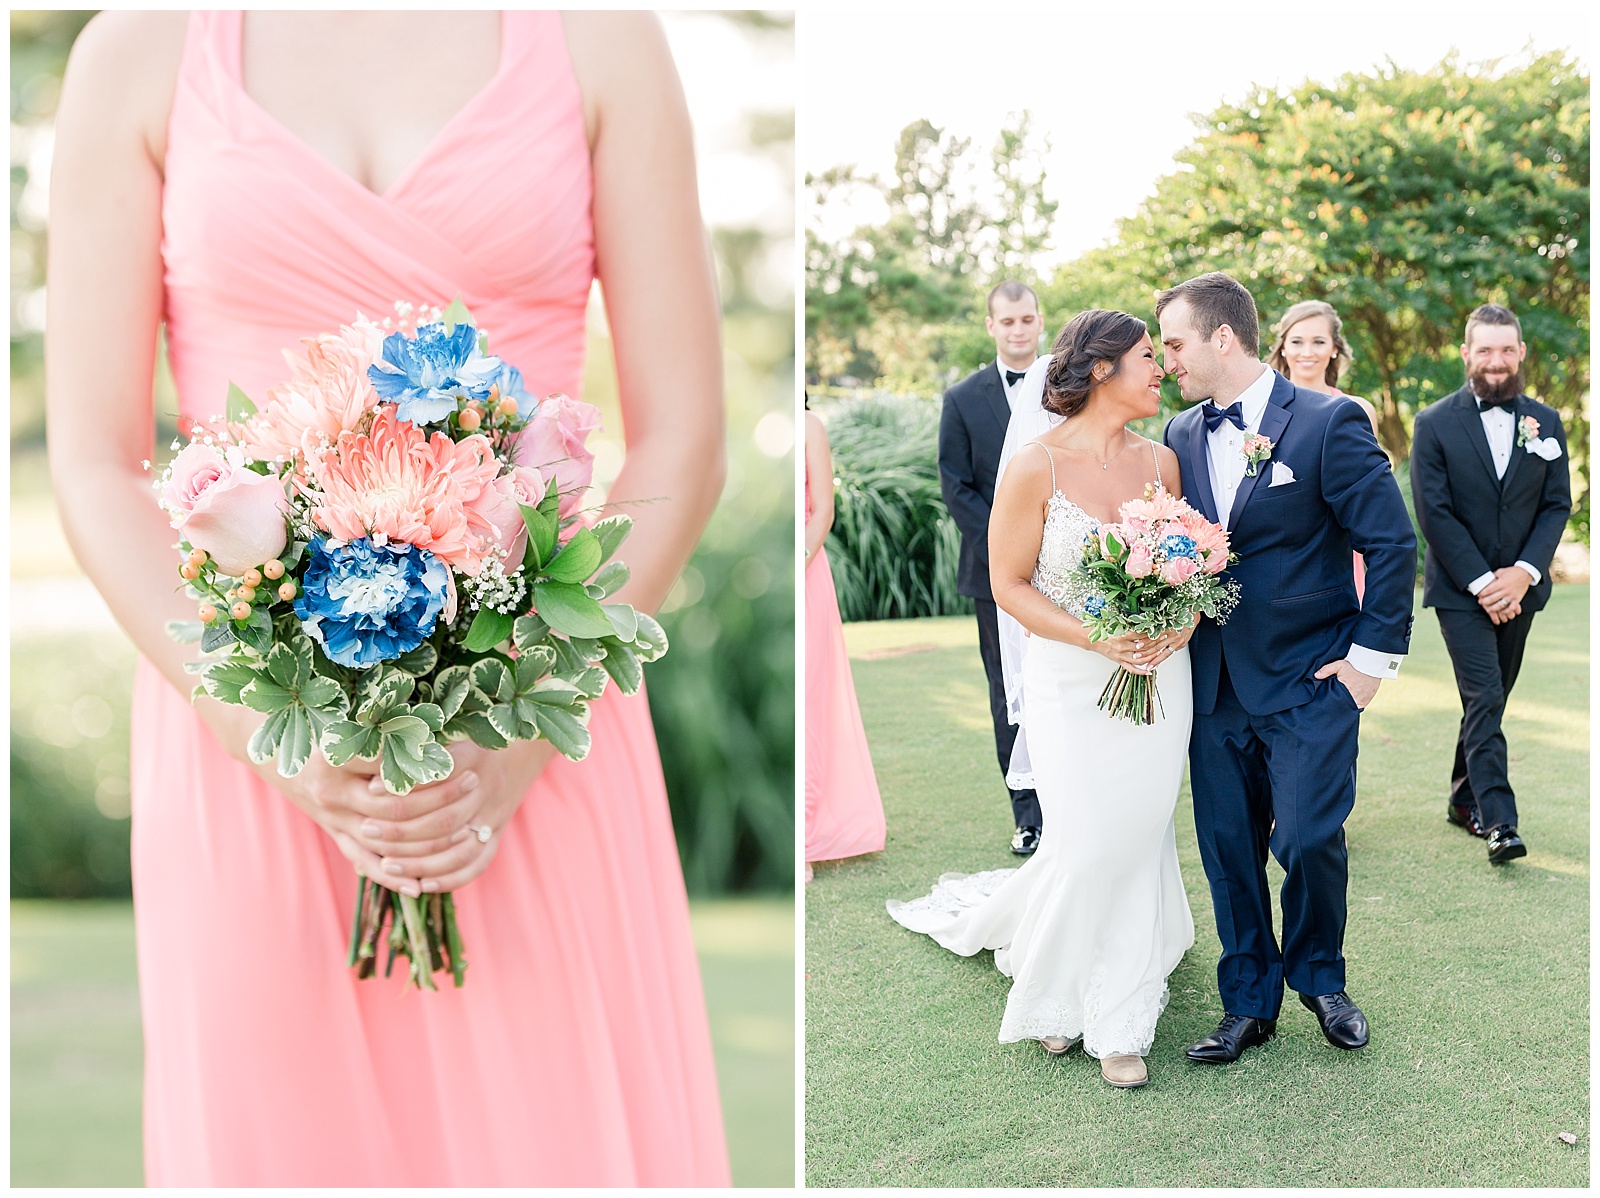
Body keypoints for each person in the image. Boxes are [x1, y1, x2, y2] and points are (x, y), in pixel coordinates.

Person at [46, 12, 729, 1185]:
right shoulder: (139, 47)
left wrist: (513, 745)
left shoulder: (604, 37)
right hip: (243, 715)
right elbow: (94, 460)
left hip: (530, 708)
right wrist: (270, 733)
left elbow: (684, 437)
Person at [890, 310, 1196, 1091]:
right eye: (1145, 358)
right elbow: (1006, 586)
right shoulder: (1035, 466)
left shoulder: (1162, 463)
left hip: (1159, 678)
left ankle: (1121, 1019)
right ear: (1101, 370)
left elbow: (1194, 572)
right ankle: (1054, 988)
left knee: (1137, 837)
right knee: (1088, 841)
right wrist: (1097, 638)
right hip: (1071, 682)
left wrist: (1179, 624)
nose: (1159, 369)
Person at [1159, 272, 1416, 1065]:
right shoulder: (1177, 434)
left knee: (1305, 837)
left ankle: (1320, 978)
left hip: (1313, 677)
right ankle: (1247, 1002)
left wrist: (1370, 665)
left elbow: (1392, 542)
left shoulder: (1329, 422)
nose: (1165, 359)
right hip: (1214, 685)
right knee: (1227, 849)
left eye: (1174, 342)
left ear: (1221, 339)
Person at [1409, 304, 1571, 864]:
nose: (1496, 362)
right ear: (1466, 354)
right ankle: (1499, 820)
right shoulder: (1433, 422)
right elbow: (1434, 513)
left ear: (1521, 353)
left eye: (1507, 350)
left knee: (1489, 701)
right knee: (1485, 695)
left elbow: (1555, 506)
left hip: (1520, 590)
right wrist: (1483, 583)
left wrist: (1523, 575)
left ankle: (1461, 798)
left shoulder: (1546, 424)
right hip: (1460, 591)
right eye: (1485, 350)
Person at [937, 281, 1045, 855]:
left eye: (1027, 319)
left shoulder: (1064, 389)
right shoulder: (961, 398)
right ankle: (1027, 815)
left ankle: (1067, 802)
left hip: (1060, 570)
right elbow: (956, 487)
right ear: (991, 327)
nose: (1018, 329)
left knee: (1059, 686)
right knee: (1009, 689)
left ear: (1039, 321)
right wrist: (1009, 545)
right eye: (1007, 322)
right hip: (991, 574)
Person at [804, 402, 886, 881]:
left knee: (813, 697)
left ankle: (809, 837)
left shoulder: (810, 425)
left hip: (807, 570)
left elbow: (822, 511)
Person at [1266, 299, 1381, 600]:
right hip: (1277, 551)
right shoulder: (1260, 411)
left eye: (1318, 341)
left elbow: (1370, 497)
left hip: (1339, 547)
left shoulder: (1358, 410)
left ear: (1334, 348)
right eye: (1297, 341)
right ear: (1283, 348)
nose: (1307, 352)